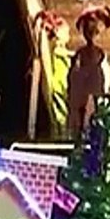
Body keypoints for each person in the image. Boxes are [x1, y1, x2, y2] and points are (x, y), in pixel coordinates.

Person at [66, 4, 110, 137]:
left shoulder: (100, 54)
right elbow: (74, 74)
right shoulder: (81, 54)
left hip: (95, 83)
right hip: (82, 87)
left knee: (95, 112)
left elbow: (104, 73)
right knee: (82, 114)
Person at [32, 10, 72, 140]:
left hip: (62, 88)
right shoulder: (58, 51)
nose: (69, 36)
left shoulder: (60, 51)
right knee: (62, 121)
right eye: (67, 32)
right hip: (60, 88)